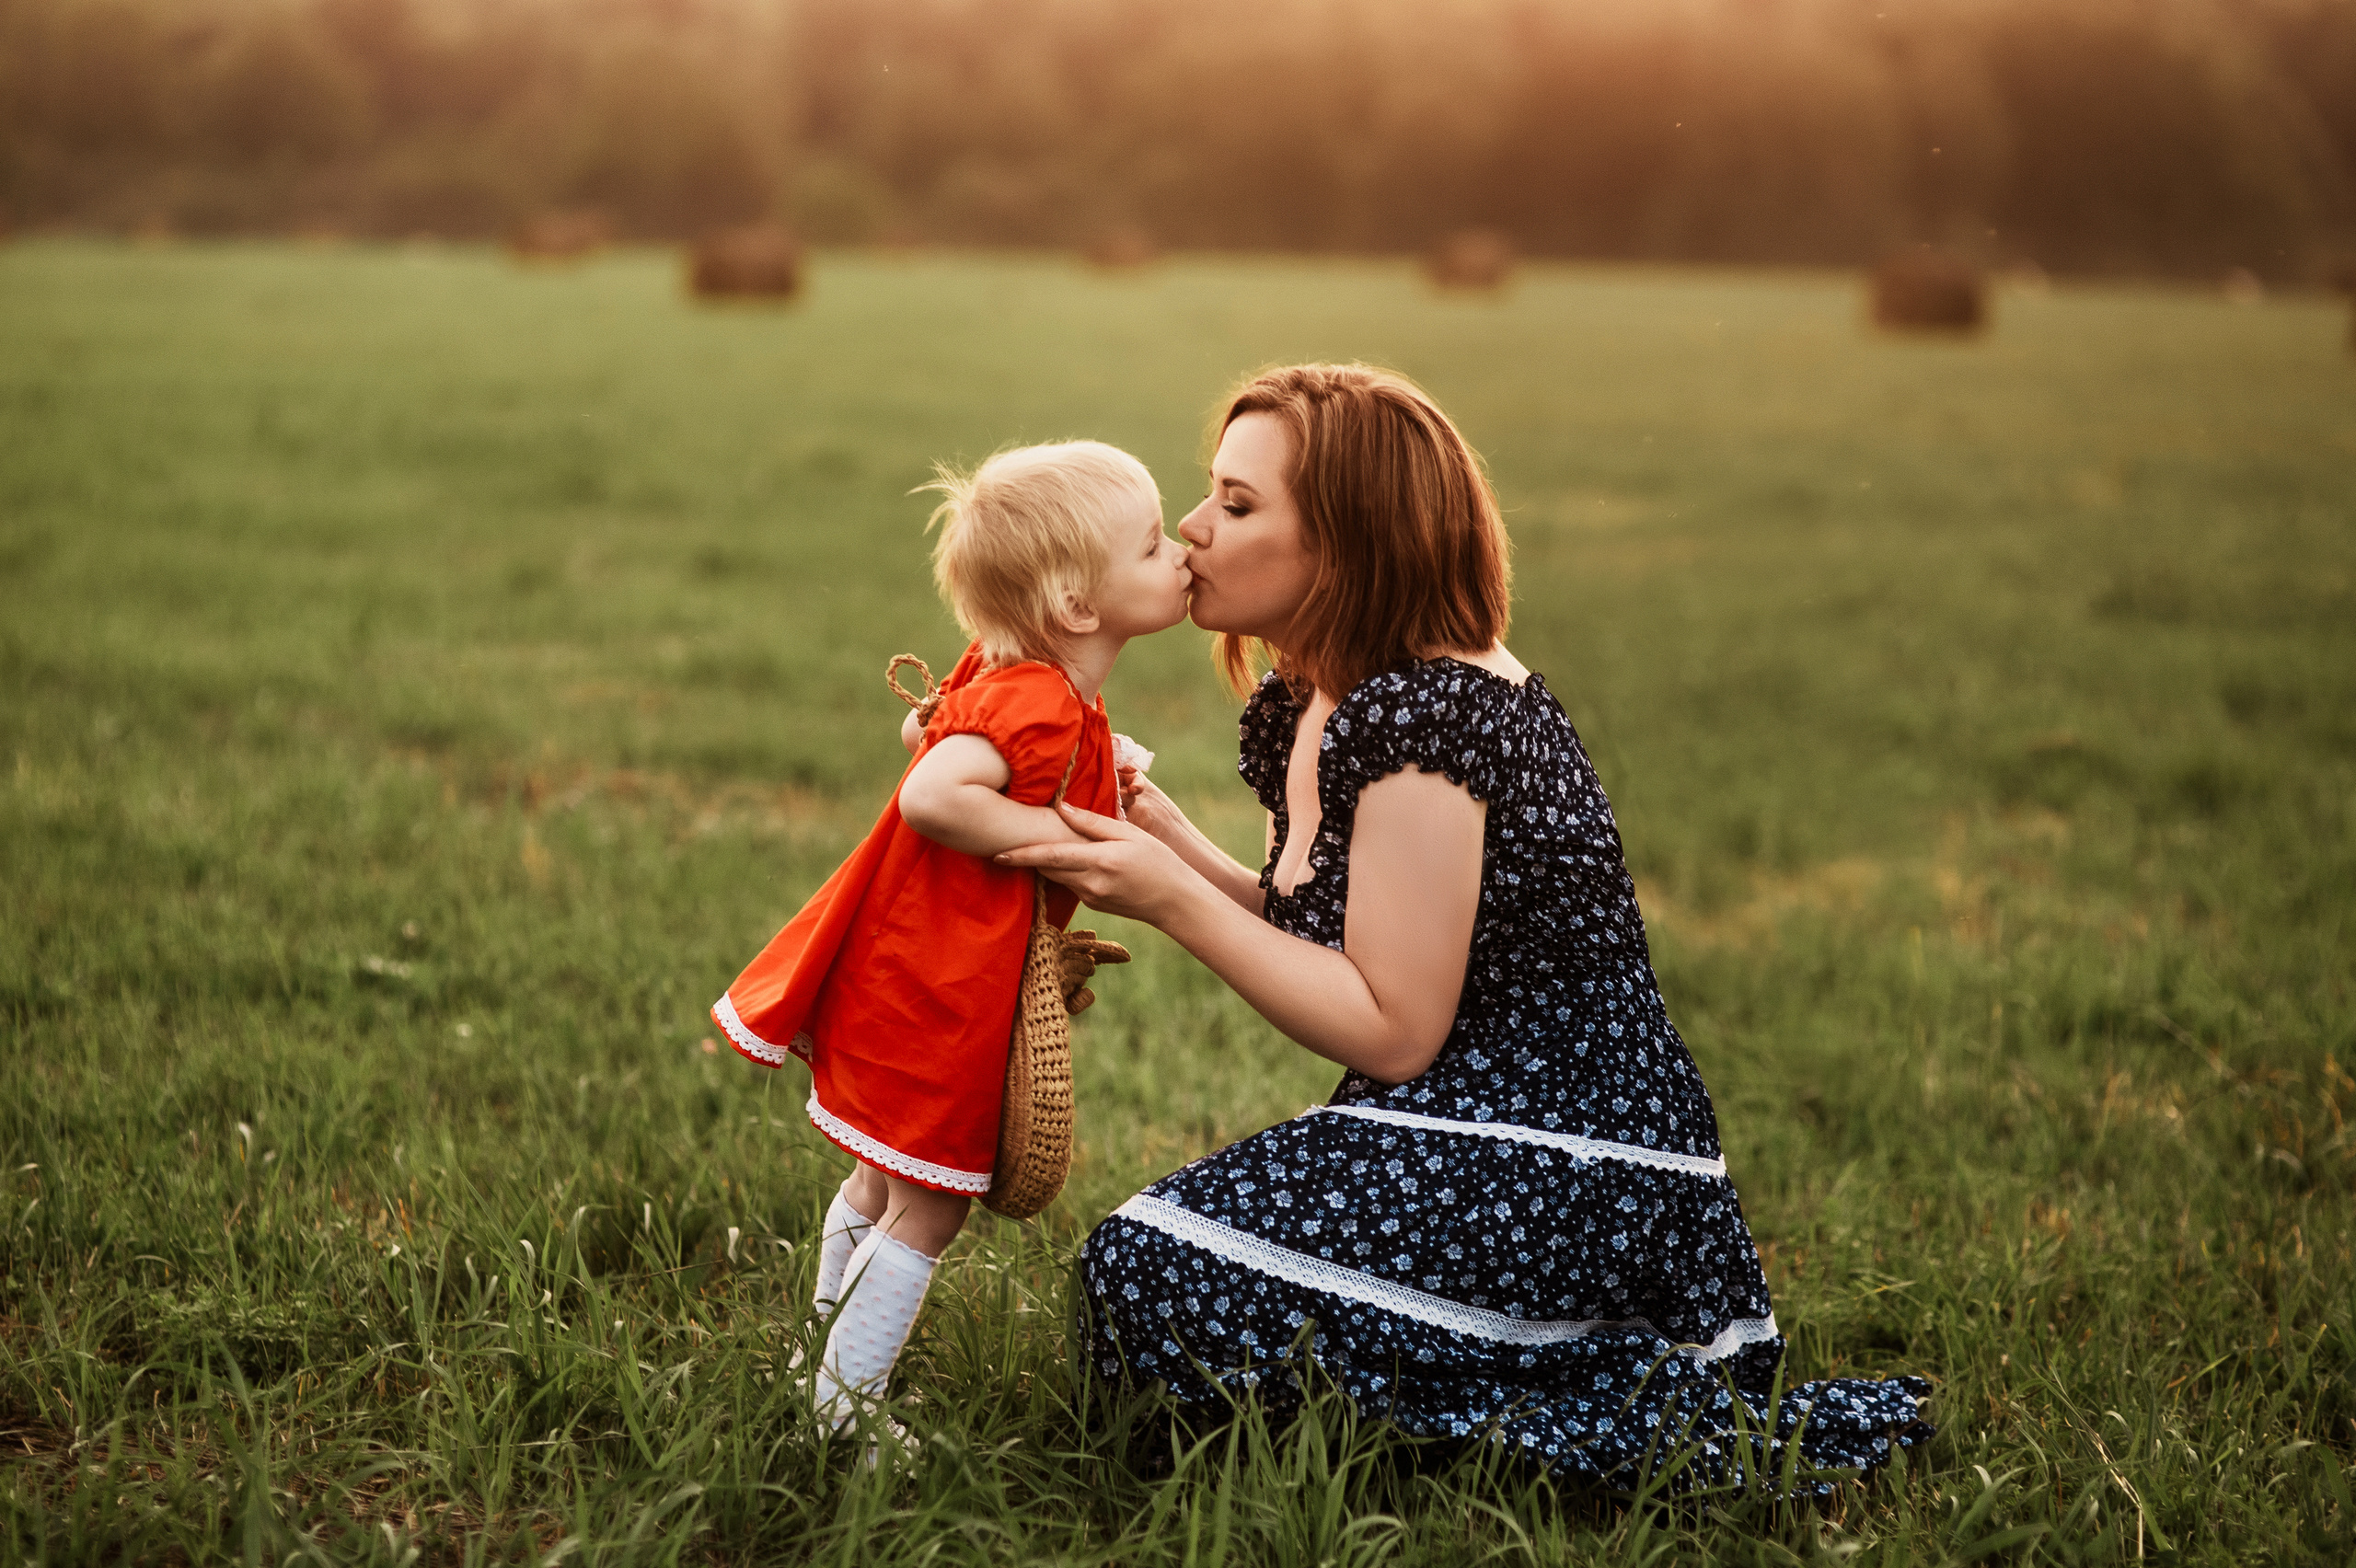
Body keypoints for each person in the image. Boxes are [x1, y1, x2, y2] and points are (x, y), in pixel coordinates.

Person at [997, 365, 1931, 1488]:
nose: (1194, 530)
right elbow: (1330, 932)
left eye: (1239, 506)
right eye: (1212, 494)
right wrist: (1158, 835)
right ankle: (1500, 1386)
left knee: (1150, 1271)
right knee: (1150, 1272)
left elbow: (1391, 1029)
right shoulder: (1321, 693)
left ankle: (1630, 1403)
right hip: (1458, 1122)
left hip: (1572, 1156)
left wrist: (1168, 893)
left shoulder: (1432, 713)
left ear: (1347, 544)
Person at [710, 439, 1193, 1430]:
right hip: (940, 990)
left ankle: (824, 1360)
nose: (1180, 548)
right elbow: (932, 791)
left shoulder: (1028, 681)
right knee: (930, 1205)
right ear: (1077, 607)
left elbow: (926, 736)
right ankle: (844, 1410)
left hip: (910, 972)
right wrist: (1057, 835)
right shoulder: (1041, 700)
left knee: (882, 1179)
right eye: (1151, 545)